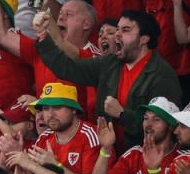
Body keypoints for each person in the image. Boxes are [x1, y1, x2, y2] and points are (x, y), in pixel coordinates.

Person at [35, 10, 181, 149]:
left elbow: (162, 127)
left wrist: (122, 114)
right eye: (117, 29)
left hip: (145, 156)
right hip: (109, 152)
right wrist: (43, 37)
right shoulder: (109, 62)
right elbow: (67, 68)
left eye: (125, 30)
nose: (117, 34)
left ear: (144, 39)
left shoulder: (162, 75)